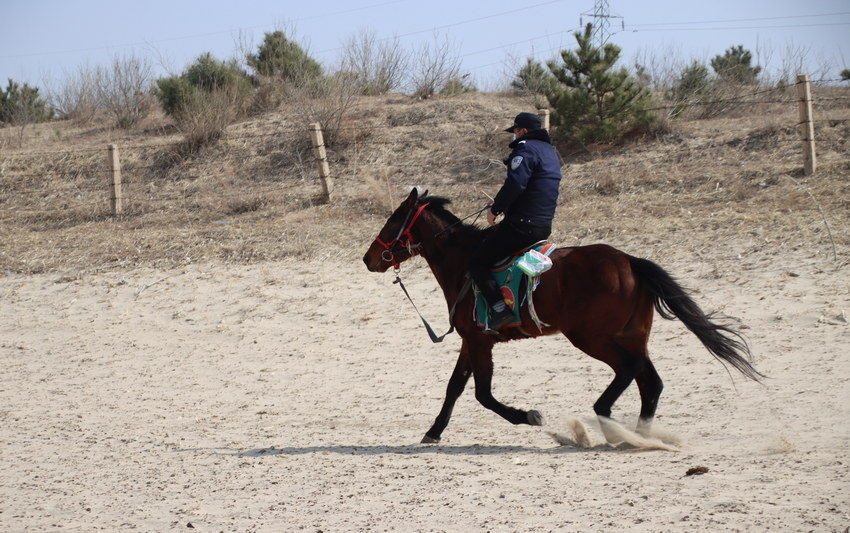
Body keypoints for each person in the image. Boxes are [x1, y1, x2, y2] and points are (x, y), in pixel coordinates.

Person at [469, 112, 562, 330]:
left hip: (522, 224)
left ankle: (500, 310)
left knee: (477, 261)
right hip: (543, 224)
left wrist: (495, 209)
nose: (514, 136)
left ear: (523, 131)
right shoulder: (551, 152)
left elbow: (516, 184)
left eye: (516, 131)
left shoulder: (525, 149)